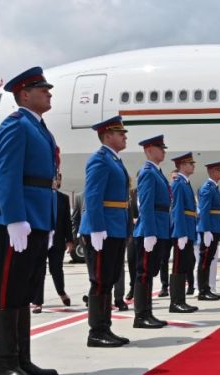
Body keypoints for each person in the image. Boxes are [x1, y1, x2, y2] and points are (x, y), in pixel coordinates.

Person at [0, 66, 59, 374]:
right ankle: (5, 364)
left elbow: (48, 181)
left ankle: (22, 360)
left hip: (39, 219)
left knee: (24, 291)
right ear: (24, 95)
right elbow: (6, 173)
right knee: (8, 291)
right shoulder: (15, 124)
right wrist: (15, 218)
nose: (49, 92)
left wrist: (51, 221)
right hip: (19, 221)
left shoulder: (41, 128)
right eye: (42, 89)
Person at [79, 115, 131, 347]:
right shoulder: (99, 159)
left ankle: (105, 328)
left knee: (108, 279)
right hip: (103, 230)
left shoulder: (115, 160)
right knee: (99, 281)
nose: (124, 136)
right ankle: (96, 332)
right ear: (107, 136)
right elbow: (92, 195)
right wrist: (97, 228)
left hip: (115, 228)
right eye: (120, 133)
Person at [132, 135, 171, 329]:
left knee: (150, 272)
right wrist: (148, 231)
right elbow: (145, 204)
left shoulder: (158, 172)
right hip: (151, 228)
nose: (163, 151)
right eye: (159, 147)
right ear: (148, 150)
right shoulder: (148, 172)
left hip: (159, 227)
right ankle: (141, 315)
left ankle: (148, 312)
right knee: (144, 273)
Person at [32, 172, 73, 314]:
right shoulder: (39, 195)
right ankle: (37, 302)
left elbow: (67, 221)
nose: (56, 181)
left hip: (57, 239)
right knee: (39, 270)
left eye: (58, 179)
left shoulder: (64, 198)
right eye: (54, 178)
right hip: (41, 238)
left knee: (56, 269)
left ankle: (61, 292)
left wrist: (70, 240)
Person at [168, 153, 199, 313]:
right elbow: (177, 209)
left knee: (185, 265)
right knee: (179, 266)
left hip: (188, 229)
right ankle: (176, 302)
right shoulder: (178, 184)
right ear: (182, 165)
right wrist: (180, 232)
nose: (193, 166)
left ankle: (181, 300)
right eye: (190, 163)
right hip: (182, 230)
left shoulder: (185, 183)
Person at [197, 161, 220, 300]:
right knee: (205, 260)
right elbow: (204, 211)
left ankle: (206, 288)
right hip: (210, 229)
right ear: (213, 172)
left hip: (214, 227)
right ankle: (203, 290)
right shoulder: (207, 188)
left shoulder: (214, 187)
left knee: (208, 259)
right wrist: (206, 230)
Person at [158, 169, 179, 298]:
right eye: (173, 178)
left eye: (177, 178)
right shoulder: (166, 192)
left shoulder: (182, 191)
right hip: (165, 231)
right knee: (163, 260)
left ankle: (179, 285)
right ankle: (164, 286)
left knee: (179, 259)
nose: (174, 180)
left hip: (176, 230)